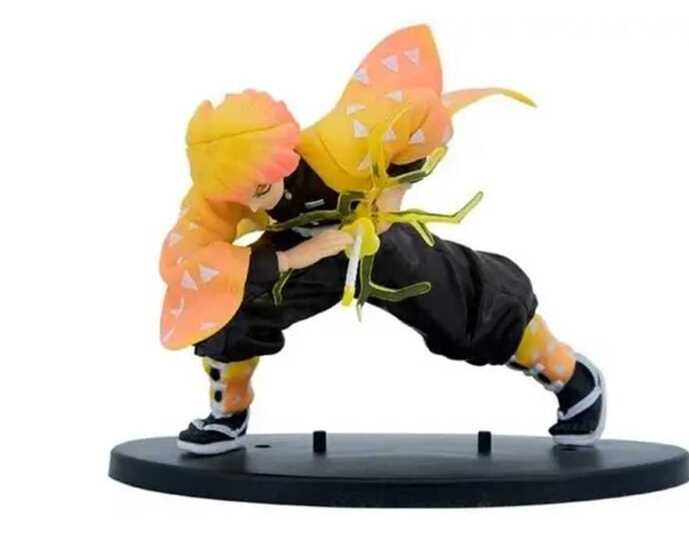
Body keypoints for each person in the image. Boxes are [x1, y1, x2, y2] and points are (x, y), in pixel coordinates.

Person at [159, 26, 605, 455]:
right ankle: (229, 411)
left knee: (468, 313)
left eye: (260, 188)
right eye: (239, 196)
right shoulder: (214, 196)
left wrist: (389, 198)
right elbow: (184, 259)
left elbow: (421, 112)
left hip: (376, 235)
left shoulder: (343, 140)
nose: (252, 202)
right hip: (301, 252)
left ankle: (569, 375)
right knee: (232, 308)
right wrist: (293, 258)